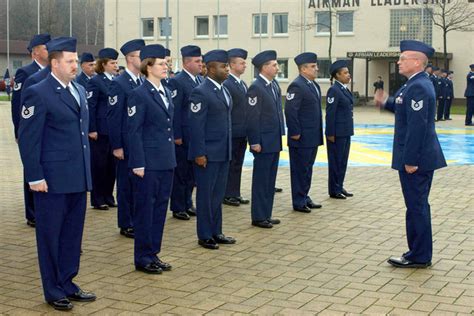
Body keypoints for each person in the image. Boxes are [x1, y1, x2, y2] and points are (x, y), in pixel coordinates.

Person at [18, 36, 96, 311]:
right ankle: (53, 290)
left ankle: (68, 282)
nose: (76, 65)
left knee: (72, 235)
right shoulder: (38, 92)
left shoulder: (77, 89)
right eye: (70, 61)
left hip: (77, 176)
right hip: (51, 180)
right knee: (51, 236)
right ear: (54, 63)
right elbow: (28, 139)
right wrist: (35, 177)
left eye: (76, 60)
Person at [376, 40, 447, 268]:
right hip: (416, 157)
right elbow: (402, 107)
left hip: (417, 160)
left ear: (416, 61)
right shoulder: (412, 84)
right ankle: (416, 251)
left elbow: (418, 127)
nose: (398, 62)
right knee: (415, 206)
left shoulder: (418, 86)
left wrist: (411, 160)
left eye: (403, 58)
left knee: (417, 207)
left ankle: (420, 256)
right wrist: (385, 101)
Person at [127, 44, 175, 274]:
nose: (166, 67)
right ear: (148, 67)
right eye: (161, 64)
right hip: (147, 163)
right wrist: (137, 162)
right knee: (146, 210)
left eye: (166, 63)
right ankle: (142, 257)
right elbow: (133, 131)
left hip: (165, 161)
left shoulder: (164, 90)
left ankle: (153, 253)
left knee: (159, 210)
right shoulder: (139, 94)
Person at [188, 49, 236, 249]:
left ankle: (217, 231)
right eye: (223, 66)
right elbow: (196, 126)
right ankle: (205, 234)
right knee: (206, 195)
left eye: (227, 66)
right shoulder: (200, 91)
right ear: (209, 68)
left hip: (223, 151)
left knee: (217, 195)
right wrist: (199, 153)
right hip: (207, 153)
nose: (227, 69)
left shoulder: (224, 89)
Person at [11, 33, 50, 228]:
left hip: (48, 130)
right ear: (35, 52)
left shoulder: (53, 71)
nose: (49, 50)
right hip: (31, 129)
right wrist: (19, 131)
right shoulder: (25, 72)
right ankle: (32, 213)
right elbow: (17, 104)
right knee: (31, 169)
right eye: (45, 47)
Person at [107, 39, 145, 238]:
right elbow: (113, 117)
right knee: (125, 185)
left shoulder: (142, 81)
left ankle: (136, 219)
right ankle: (126, 222)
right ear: (130, 59)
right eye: (141, 55)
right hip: (125, 144)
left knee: (138, 186)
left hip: (139, 144)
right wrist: (117, 145)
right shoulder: (119, 83)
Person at [246, 50, 285, 229]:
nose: (277, 68)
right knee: (261, 180)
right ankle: (258, 216)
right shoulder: (256, 87)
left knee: (270, 180)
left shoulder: (273, 85)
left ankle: (266, 214)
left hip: (274, 141)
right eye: (274, 65)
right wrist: (254, 141)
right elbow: (252, 117)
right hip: (262, 142)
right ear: (264, 67)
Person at [284, 52, 323, 213]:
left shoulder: (313, 85)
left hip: (312, 136)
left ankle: (305, 196)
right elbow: (290, 111)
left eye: (316, 66)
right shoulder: (297, 85)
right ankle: (298, 201)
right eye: (313, 66)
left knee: (307, 168)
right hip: (301, 137)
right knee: (300, 169)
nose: (317, 69)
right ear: (303, 69)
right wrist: (295, 132)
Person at [167, 45, 203, 220]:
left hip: (194, 136)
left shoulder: (199, 81)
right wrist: (177, 135)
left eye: (201, 61)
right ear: (186, 63)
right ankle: (178, 206)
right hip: (183, 136)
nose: (200, 65)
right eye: (197, 62)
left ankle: (188, 202)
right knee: (181, 173)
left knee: (191, 174)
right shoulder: (177, 81)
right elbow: (175, 110)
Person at [86, 48, 119, 210]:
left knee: (111, 166)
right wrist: (91, 128)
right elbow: (90, 107)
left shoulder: (115, 80)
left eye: (116, 62)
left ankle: (108, 195)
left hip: (112, 130)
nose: (116, 66)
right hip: (100, 131)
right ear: (103, 64)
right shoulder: (95, 81)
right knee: (99, 165)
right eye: (112, 63)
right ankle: (98, 198)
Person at [222, 48, 250, 207]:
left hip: (242, 131)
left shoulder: (242, 83)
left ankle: (235, 193)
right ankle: (228, 194)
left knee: (238, 164)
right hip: (232, 131)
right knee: (231, 164)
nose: (245, 65)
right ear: (232, 65)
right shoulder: (227, 83)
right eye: (241, 63)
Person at [325, 60, 354, 199]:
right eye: (345, 73)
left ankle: (339, 185)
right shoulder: (334, 90)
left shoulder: (344, 88)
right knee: (336, 161)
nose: (349, 75)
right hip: (336, 133)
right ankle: (334, 189)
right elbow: (330, 114)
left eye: (348, 72)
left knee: (343, 161)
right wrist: (330, 133)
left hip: (345, 131)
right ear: (337, 75)